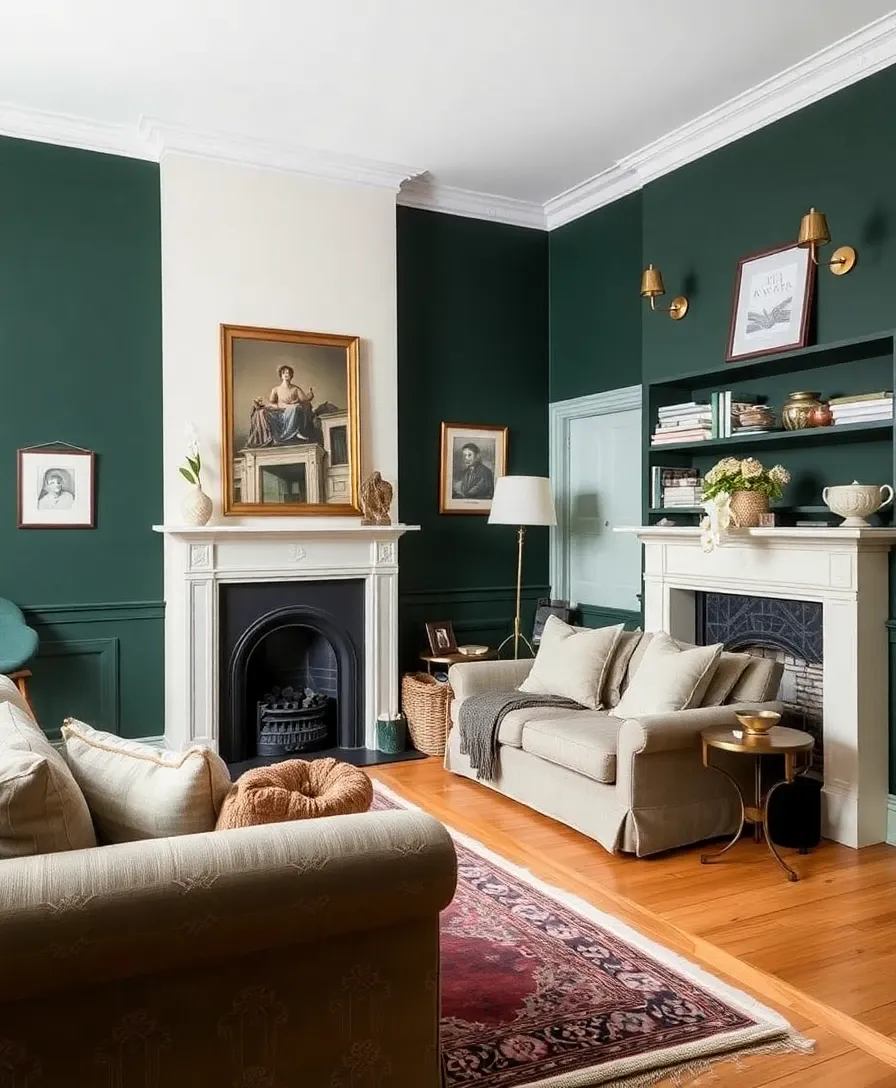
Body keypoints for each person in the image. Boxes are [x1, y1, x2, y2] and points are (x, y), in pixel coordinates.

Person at [248, 365, 322, 447]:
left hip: (292, 410)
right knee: (262, 412)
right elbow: (272, 401)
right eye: (284, 372)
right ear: (281, 375)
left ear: (291, 376)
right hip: (280, 411)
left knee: (294, 408)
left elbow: (304, 400)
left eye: (288, 373)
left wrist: (310, 395)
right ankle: (274, 436)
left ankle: (295, 433)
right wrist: (260, 403)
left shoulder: (295, 389)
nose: (286, 374)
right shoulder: (276, 389)